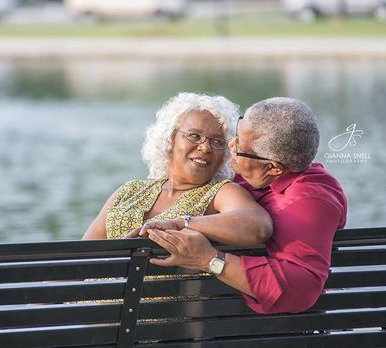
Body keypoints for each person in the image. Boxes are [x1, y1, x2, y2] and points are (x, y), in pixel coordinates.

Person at [141, 97, 347, 314]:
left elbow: (301, 288)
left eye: (239, 146)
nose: (230, 145)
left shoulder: (310, 199)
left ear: (273, 168)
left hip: (270, 332)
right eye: (237, 133)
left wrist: (209, 259)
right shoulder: (248, 175)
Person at [83, 92, 273, 245]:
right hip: (98, 291)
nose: (205, 147)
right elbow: (80, 257)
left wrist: (182, 223)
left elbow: (258, 225)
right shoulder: (130, 190)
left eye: (217, 141)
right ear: (170, 139)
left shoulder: (220, 192)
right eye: (195, 136)